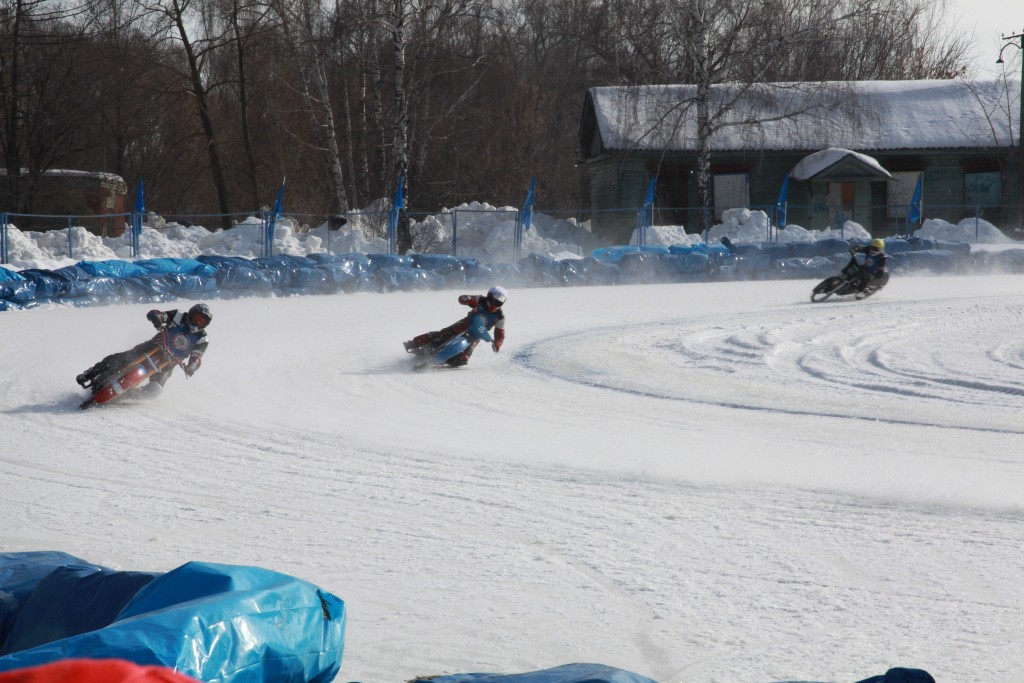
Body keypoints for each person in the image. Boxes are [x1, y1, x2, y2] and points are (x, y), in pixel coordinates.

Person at [76, 303, 212, 399]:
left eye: (202, 322)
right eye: (196, 318)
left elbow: (197, 357)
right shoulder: (178, 315)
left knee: (155, 390)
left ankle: (129, 395)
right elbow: (158, 314)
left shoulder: (202, 339)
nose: (197, 323)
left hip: (168, 364)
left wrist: (191, 367)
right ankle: (90, 373)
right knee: (121, 358)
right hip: (153, 347)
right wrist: (157, 319)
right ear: (191, 314)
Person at [403, 286, 507, 367]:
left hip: (476, 334)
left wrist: (497, 343)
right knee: (442, 334)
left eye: (499, 301)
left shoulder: (500, 316)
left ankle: (445, 358)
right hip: (465, 324)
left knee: (463, 359)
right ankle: (414, 343)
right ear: (489, 296)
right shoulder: (480, 299)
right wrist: (468, 299)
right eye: (495, 300)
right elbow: (463, 298)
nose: (496, 303)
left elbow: (500, 333)